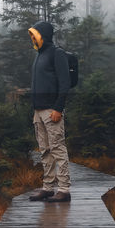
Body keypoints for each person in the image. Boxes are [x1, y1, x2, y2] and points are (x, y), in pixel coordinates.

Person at [25, 19, 72, 202]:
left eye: (34, 35)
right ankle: (48, 188)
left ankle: (64, 190)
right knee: (44, 151)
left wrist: (58, 108)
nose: (32, 38)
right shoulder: (39, 55)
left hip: (52, 111)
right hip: (38, 112)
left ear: (42, 35)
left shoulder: (56, 54)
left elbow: (65, 83)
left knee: (58, 149)